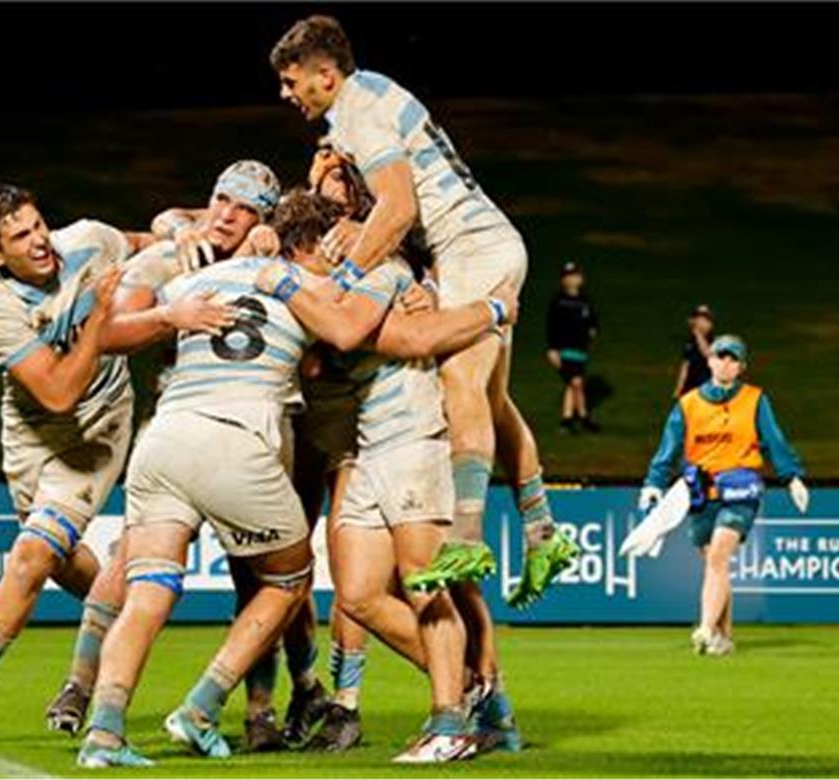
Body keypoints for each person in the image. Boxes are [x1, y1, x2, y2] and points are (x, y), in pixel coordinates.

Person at [268, 14, 575, 613]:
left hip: (474, 247)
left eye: (290, 81)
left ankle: (465, 534)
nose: (285, 93)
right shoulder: (372, 97)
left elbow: (401, 207)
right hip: (477, 244)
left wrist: (349, 277)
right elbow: (400, 207)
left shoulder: (360, 111)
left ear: (324, 76)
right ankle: (542, 531)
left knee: (458, 380)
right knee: (490, 400)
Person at [258, 189, 521, 760]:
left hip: (414, 442)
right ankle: (473, 689)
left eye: (294, 259)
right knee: (357, 596)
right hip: (367, 452)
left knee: (425, 583)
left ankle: (450, 721)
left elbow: (386, 336)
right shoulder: (335, 289)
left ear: (315, 246)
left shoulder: (381, 273)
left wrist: (493, 310)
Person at [76, 194, 335, 769]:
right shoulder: (302, 284)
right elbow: (351, 335)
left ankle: (104, 733)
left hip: (163, 439)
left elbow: (117, 324)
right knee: (288, 581)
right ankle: (201, 706)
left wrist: (170, 236)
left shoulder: (197, 277)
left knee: (146, 593)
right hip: (236, 440)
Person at [0, 184, 143, 747]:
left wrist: (194, 225)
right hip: (33, 434)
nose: (40, 240)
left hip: (98, 431)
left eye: (39, 224)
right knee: (58, 561)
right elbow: (57, 392)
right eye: (21, 236)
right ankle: (122, 602)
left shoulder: (89, 240)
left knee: (30, 557)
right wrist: (98, 321)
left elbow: (151, 241)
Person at [638, 334, 810, 656]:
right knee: (715, 565)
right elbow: (669, 448)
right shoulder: (688, 404)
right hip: (702, 493)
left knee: (718, 555)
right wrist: (653, 484)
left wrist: (792, 478)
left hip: (741, 489)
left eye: (733, 359)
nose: (726, 363)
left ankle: (704, 627)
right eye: (721, 356)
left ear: (741, 367)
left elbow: (774, 439)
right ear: (710, 360)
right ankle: (723, 636)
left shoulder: (755, 399)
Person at [545, 261, 599, 433]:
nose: (572, 280)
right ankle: (582, 417)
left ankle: (568, 419)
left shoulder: (585, 301)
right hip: (564, 349)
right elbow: (551, 326)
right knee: (575, 382)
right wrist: (552, 349)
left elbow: (592, 322)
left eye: (575, 276)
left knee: (575, 383)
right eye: (568, 277)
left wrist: (591, 333)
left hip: (580, 350)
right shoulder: (559, 301)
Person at [674, 304, 714, 398]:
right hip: (690, 384)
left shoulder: (713, 341)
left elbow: (707, 354)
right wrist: (679, 387)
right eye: (698, 319)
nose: (702, 323)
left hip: (705, 384)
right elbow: (685, 365)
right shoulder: (690, 343)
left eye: (705, 320)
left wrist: (698, 334)